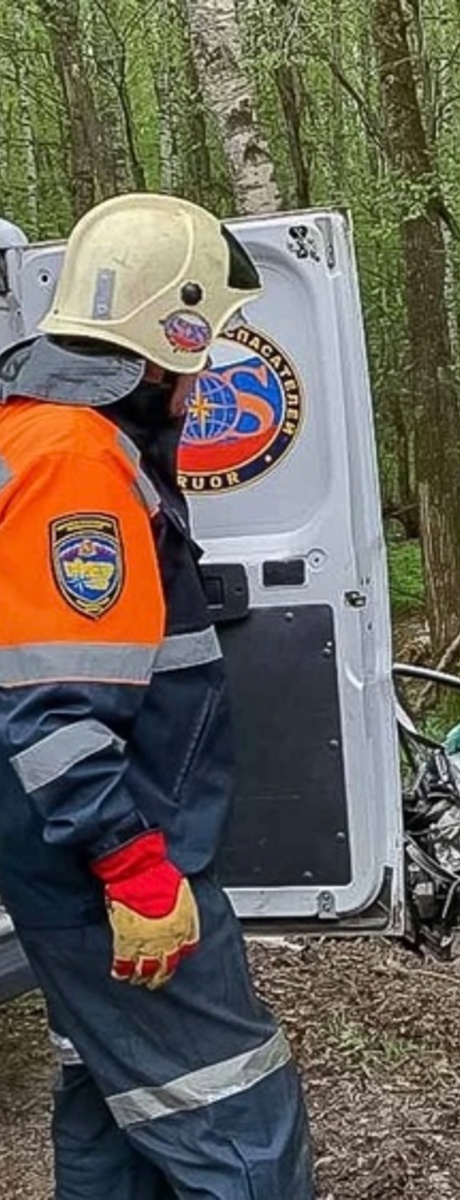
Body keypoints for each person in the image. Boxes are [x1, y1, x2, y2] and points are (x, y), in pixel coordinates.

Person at [0, 194, 314, 1198]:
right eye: (208, 335)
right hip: (108, 870)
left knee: (115, 1111)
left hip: (78, 862)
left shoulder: (53, 433)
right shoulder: (78, 462)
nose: (210, 364)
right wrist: (133, 867)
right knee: (238, 1121)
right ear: (162, 330)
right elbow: (51, 707)